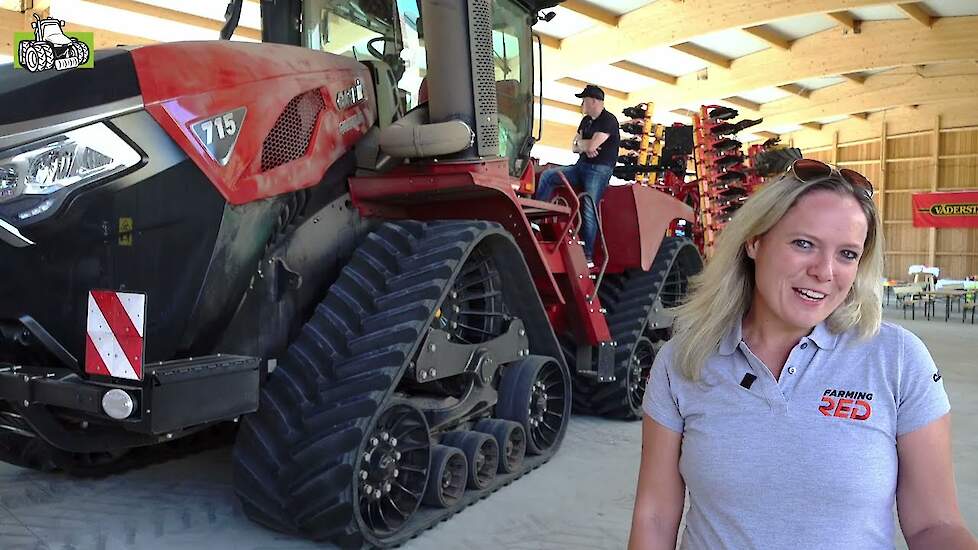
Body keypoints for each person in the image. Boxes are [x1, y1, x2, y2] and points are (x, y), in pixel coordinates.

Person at [628, 159, 978, 550]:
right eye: (804, 244)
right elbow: (655, 516)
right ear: (754, 241)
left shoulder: (897, 359)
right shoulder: (685, 360)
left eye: (847, 254)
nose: (825, 271)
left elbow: (936, 525)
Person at [534, 84, 620, 264]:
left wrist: (585, 145)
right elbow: (575, 146)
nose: (582, 104)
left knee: (588, 206)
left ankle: (587, 255)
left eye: (585, 100)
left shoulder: (608, 120)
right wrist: (585, 146)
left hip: (599, 170)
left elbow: (587, 146)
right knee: (549, 176)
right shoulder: (586, 121)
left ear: (594, 101)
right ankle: (536, 219)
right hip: (580, 166)